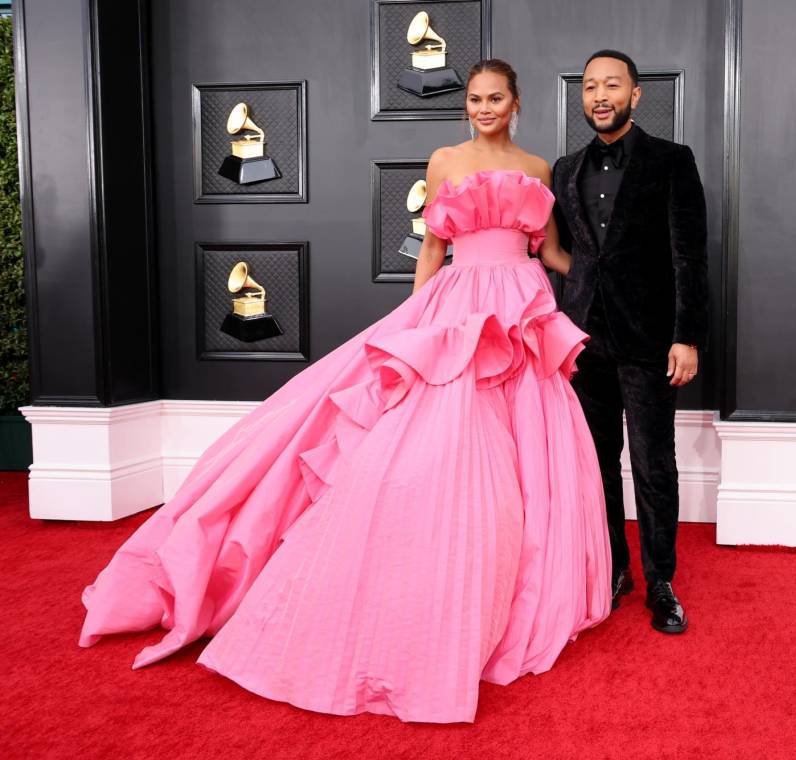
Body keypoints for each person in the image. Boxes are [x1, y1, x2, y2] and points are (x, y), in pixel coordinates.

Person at [77, 59, 611, 723]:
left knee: (530, 450)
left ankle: (511, 579)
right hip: (457, 313)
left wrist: (611, 265)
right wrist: (417, 324)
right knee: (435, 451)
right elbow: (430, 252)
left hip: (522, 311)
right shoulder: (443, 160)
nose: (482, 107)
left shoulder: (537, 169)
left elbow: (551, 252)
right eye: (473, 98)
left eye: (494, 98)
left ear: (516, 102)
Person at [552, 50, 709, 635]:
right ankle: (614, 568)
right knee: (596, 465)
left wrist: (686, 337)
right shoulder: (565, 169)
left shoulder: (671, 160)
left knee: (652, 464)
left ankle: (661, 581)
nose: (599, 95)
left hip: (649, 340)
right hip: (584, 340)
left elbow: (689, 255)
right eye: (590, 85)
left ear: (635, 94)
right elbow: (565, 257)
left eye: (611, 85)